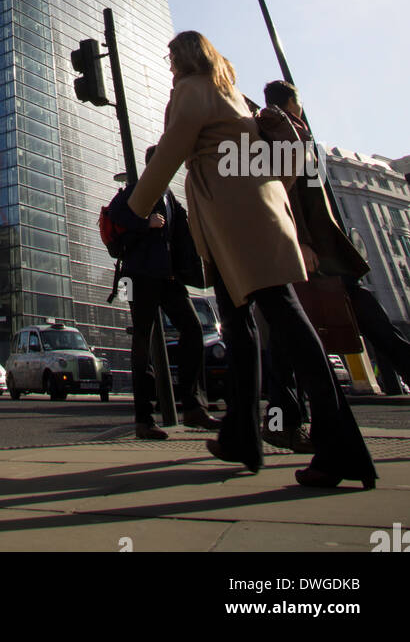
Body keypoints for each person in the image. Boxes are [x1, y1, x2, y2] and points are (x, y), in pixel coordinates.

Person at [126, 32, 375, 489]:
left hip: (240, 223)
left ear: (183, 57)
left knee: (289, 324)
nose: (168, 65)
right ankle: (241, 434)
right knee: (240, 330)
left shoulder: (193, 89)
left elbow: (173, 149)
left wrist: (134, 207)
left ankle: (340, 448)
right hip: (239, 222)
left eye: (170, 57)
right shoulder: (229, 92)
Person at [263, 80, 410, 402]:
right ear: (292, 102)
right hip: (310, 246)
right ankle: (285, 407)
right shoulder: (284, 131)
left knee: (309, 318)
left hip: (319, 244)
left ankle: (285, 406)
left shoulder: (294, 132)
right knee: (293, 322)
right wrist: (300, 240)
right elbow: (286, 193)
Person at [109, 146, 219, 439]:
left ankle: (193, 406)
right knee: (142, 343)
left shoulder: (170, 197)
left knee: (193, 330)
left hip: (168, 278)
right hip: (140, 276)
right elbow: (116, 212)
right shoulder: (138, 189)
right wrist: (144, 223)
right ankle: (144, 419)